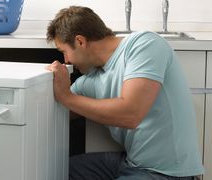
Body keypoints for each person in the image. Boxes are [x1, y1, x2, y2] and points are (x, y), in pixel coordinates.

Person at [45, 6, 204, 180]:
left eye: (64, 52)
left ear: (80, 42)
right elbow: (61, 109)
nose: (66, 60)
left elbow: (131, 114)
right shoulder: (92, 79)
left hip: (168, 173)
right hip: (131, 163)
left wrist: (66, 97)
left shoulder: (144, 44)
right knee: (52, 171)